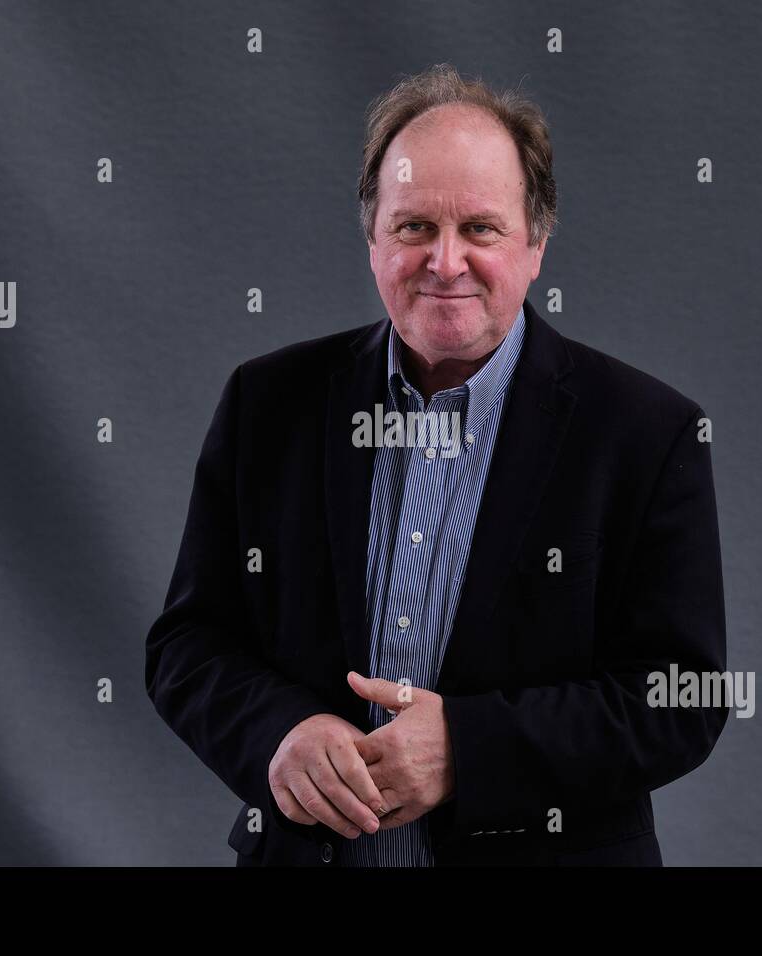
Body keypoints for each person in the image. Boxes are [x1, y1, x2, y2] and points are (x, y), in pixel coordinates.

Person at [145, 63, 728, 866]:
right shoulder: (266, 404)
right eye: (415, 226)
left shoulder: (646, 432)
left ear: (536, 244)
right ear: (374, 237)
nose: (445, 262)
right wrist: (280, 731)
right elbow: (189, 642)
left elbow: (679, 701)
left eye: (480, 228)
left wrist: (469, 748)